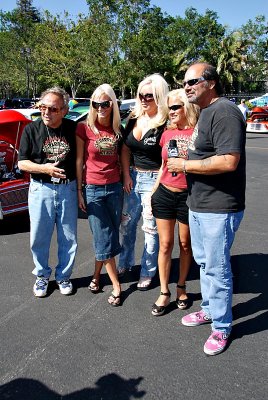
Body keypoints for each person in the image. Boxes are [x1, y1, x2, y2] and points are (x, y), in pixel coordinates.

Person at [167, 63, 246, 356]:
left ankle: (222, 327)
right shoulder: (206, 112)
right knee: (204, 263)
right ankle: (211, 309)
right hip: (199, 203)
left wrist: (186, 164)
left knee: (217, 267)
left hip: (219, 206)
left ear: (211, 82)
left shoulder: (224, 111)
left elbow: (228, 161)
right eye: (184, 82)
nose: (186, 86)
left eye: (193, 81)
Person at [18, 86, 78, 297]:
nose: (46, 112)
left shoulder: (73, 128)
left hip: (67, 188)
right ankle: (42, 275)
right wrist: (45, 168)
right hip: (40, 188)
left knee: (68, 237)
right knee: (38, 236)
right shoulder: (31, 129)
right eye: (43, 107)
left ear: (64, 110)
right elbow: (23, 163)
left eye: (53, 109)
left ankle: (63, 276)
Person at [151, 89, 199, 316]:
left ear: (187, 107)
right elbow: (163, 165)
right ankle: (164, 291)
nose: (170, 112)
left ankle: (181, 287)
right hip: (164, 194)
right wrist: (154, 191)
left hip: (188, 196)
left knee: (185, 244)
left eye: (175, 107)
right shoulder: (166, 134)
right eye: (169, 108)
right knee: (165, 244)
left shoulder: (198, 132)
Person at [119, 73, 169, 290]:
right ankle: (125, 262)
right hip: (132, 177)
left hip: (154, 179)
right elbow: (125, 148)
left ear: (159, 95)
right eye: (141, 95)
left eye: (149, 95)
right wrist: (126, 175)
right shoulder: (133, 117)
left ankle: (147, 271)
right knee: (126, 223)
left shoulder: (166, 122)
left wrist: (158, 184)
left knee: (150, 229)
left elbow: (169, 157)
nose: (144, 99)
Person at [76, 84, 123, 307]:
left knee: (108, 236)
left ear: (112, 104)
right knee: (104, 237)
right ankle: (116, 285)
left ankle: (96, 277)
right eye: (96, 104)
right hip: (93, 189)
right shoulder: (84, 129)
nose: (101, 108)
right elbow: (78, 161)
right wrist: (79, 191)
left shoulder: (117, 130)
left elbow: (123, 156)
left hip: (114, 188)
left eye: (105, 103)